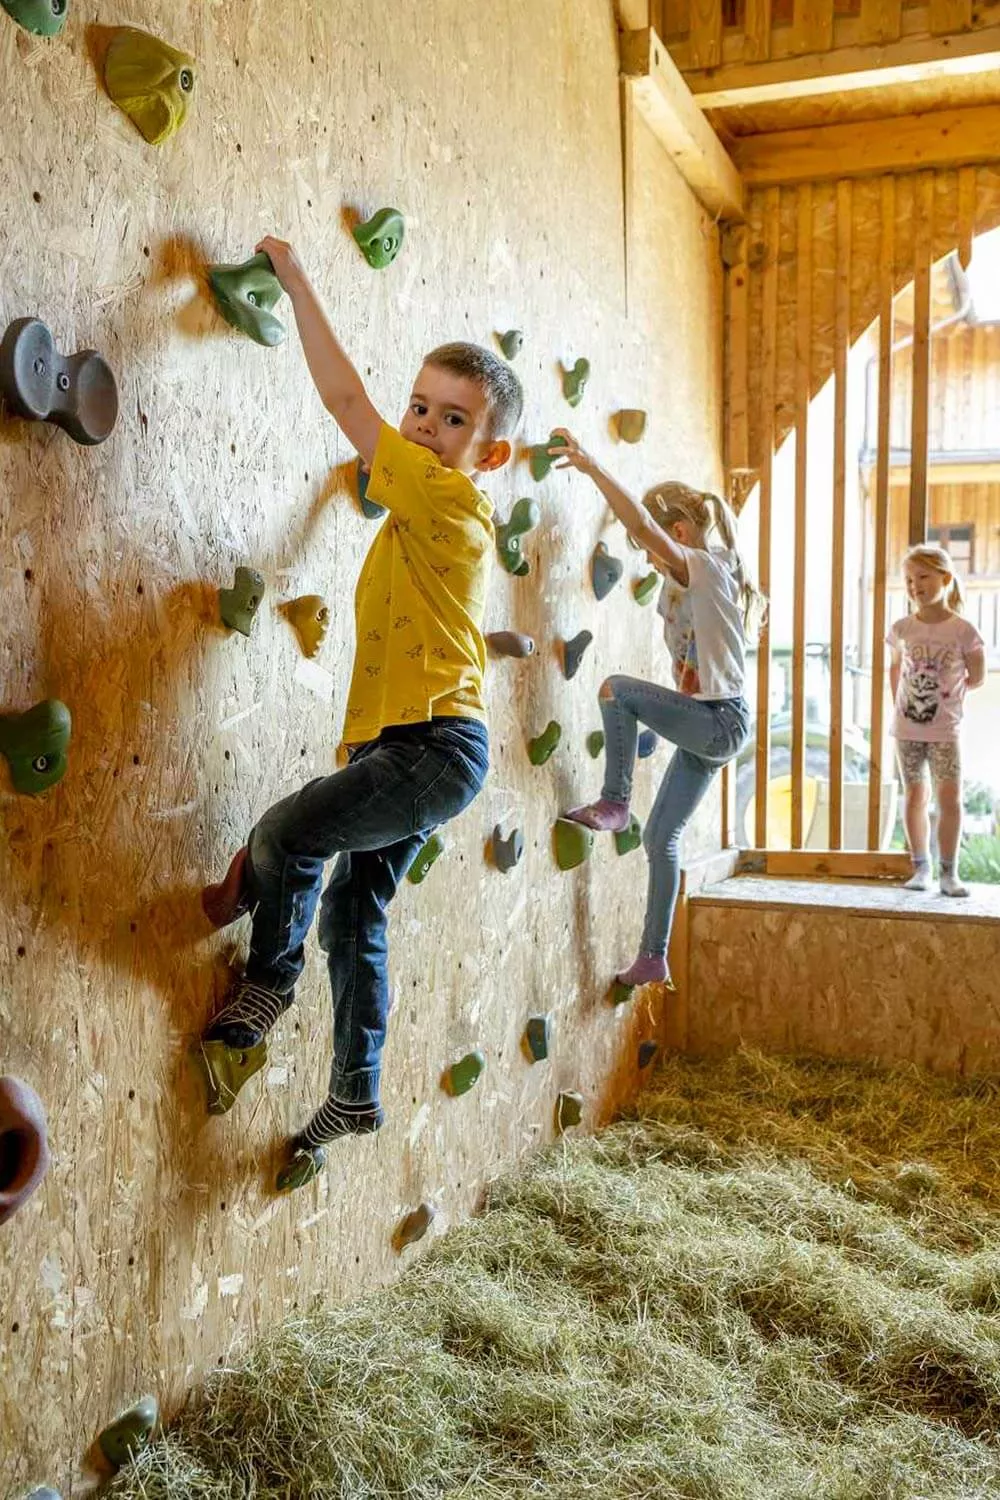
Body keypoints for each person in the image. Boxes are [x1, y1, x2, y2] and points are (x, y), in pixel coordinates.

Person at [199, 236, 523, 1190]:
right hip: (420, 747)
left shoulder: (445, 496)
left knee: (291, 833)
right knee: (354, 908)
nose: (421, 428)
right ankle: (354, 1089)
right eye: (419, 408)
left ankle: (268, 984)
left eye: (449, 419)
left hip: (434, 749)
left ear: (486, 451)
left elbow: (347, 405)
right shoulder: (422, 508)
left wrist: (298, 284)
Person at [554, 429, 762, 989]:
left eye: (651, 545)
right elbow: (644, 531)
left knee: (617, 691)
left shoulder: (708, 566)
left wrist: (593, 467)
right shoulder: (681, 585)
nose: (646, 555)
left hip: (721, 721)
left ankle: (616, 800)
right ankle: (653, 955)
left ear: (677, 533)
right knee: (661, 840)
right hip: (713, 726)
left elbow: (643, 527)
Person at [887, 543, 985, 898]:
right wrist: (903, 708)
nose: (915, 586)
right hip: (907, 730)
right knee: (915, 794)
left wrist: (946, 700)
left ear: (945, 578)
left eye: (923, 577)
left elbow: (977, 676)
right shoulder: (901, 628)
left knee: (950, 797)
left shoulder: (963, 631)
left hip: (945, 730)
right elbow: (895, 670)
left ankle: (949, 872)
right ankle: (920, 867)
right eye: (909, 580)